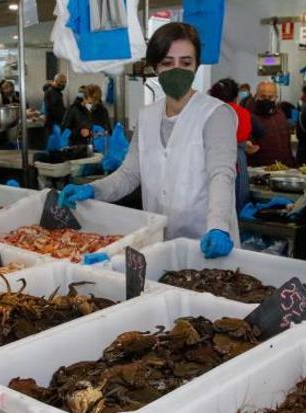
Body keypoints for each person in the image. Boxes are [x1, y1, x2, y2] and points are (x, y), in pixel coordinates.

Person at [58, 22, 239, 259]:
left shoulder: (216, 114)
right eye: (167, 63)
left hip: (206, 242)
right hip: (159, 244)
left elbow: (221, 175)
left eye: (186, 62)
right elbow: (130, 174)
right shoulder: (147, 116)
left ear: (196, 66)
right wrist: (94, 189)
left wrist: (218, 226)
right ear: (155, 67)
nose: (177, 70)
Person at [209, 78, 252, 211]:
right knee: (236, 207)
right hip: (236, 163)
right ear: (235, 96)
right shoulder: (242, 113)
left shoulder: (208, 112)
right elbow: (242, 138)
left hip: (211, 162)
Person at [246, 81, 295, 168]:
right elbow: (247, 141)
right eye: (263, 96)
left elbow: (287, 144)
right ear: (256, 96)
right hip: (260, 170)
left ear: (276, 97)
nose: (266, 99)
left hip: (284, 168)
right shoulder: (249, 117)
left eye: (270, 97)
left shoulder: (280, 115)